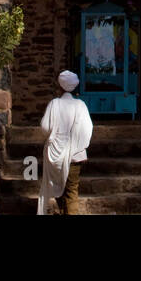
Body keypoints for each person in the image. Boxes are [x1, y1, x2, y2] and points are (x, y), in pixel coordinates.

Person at [38, 70, 93, 215]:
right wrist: (81, 148)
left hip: (55, 156)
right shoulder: (81, 105)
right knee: (71, 191)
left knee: (58, 189)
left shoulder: (54, 104)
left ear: (60, 86)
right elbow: (88, 129)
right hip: (75, 156)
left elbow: (45, 128)